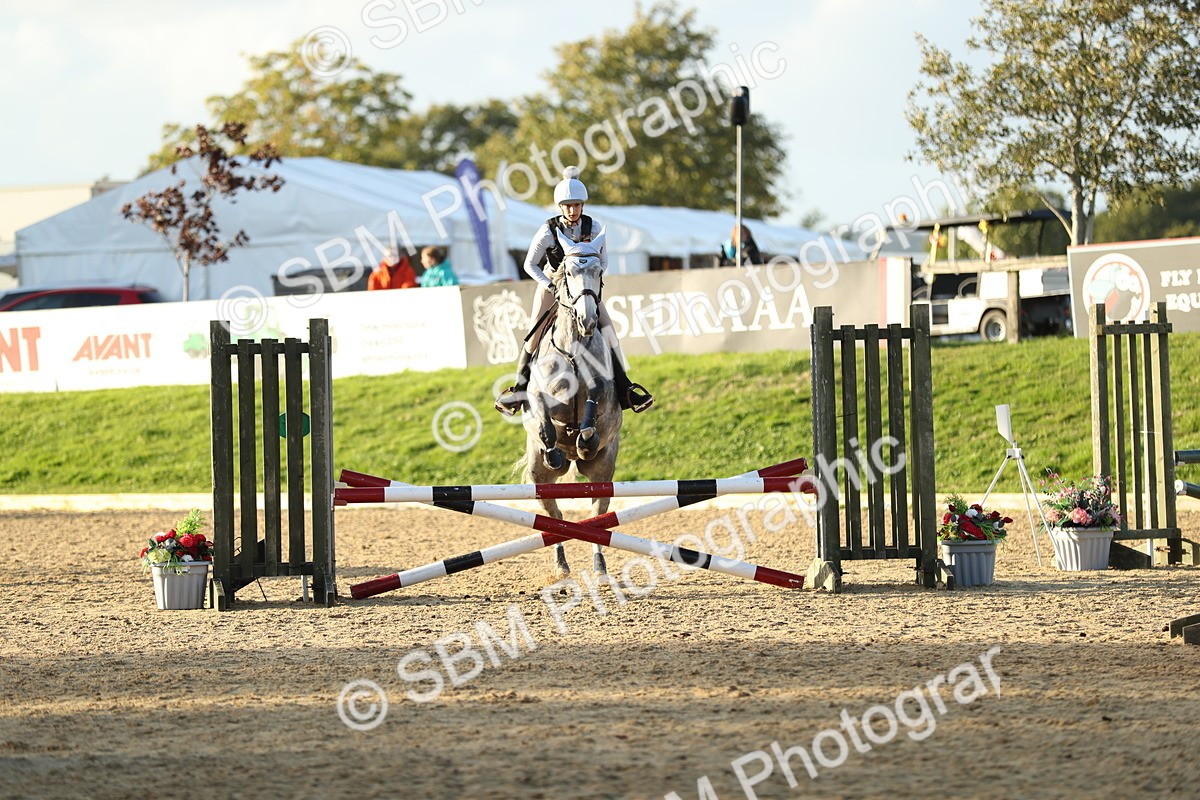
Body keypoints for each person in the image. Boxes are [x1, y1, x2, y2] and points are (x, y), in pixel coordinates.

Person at [494, 166, 653, 416]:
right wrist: (550, 285)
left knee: (609, 332)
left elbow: (605, 262)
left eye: (577, 205)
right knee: (534, 333)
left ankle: (625, 388)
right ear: (560, 207)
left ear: (582, 205)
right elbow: (529, 264)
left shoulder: (594, 226)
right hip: (552, 283)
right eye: (568, 206)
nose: (572, 210)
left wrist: (588, 278)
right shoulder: (548, 230)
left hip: (582, 287)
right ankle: (520, 389)